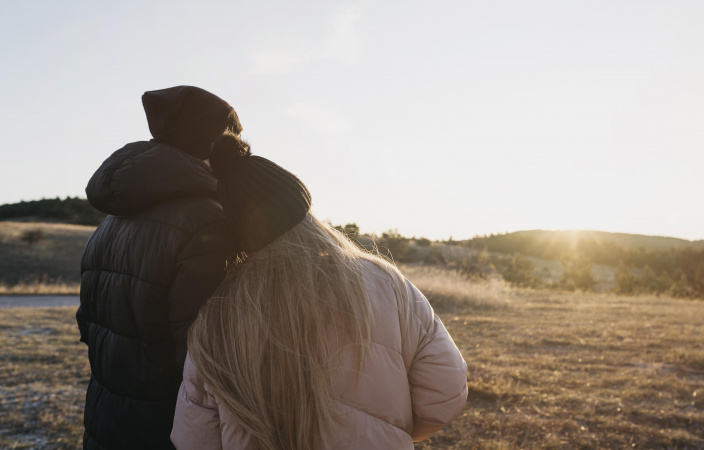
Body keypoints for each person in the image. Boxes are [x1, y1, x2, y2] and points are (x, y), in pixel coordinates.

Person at [170, 135, 468, 450]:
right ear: (306, 212)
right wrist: (390, 433)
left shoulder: (216, 316)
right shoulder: (386, 283)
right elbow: (443, 395)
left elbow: (194, 439)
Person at [76, 86, 241, 450]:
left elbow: (88, 324)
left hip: (105, 418)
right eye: (233, 137)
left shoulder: (109, 222)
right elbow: (202, 358)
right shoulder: (208, 223)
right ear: (211, 143)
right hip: (168, 427)